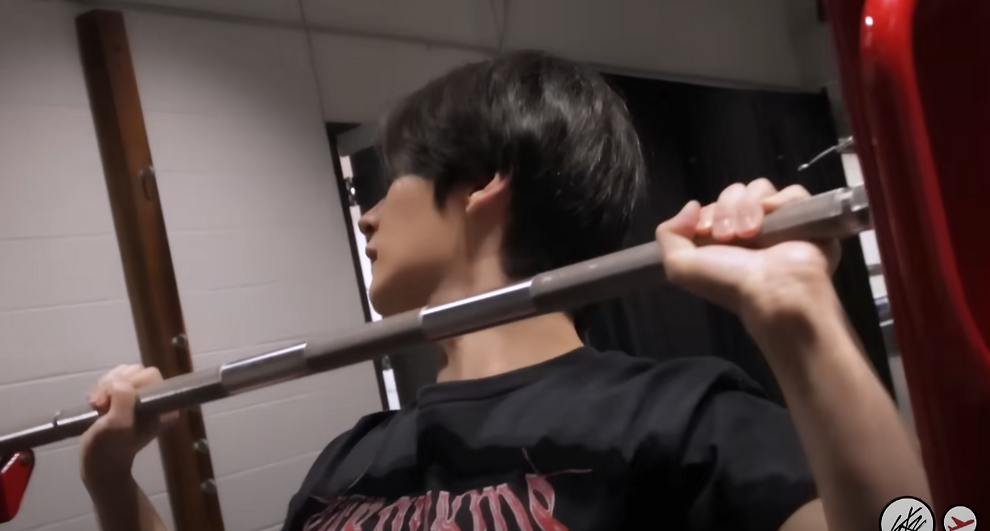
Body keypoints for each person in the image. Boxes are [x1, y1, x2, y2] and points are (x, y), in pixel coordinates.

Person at [79, 51, 929, 531]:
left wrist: (799, 315)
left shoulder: (684, 417)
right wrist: (114, 479)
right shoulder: (352, 459)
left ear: (482, 181)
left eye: (393, 180)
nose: (368, 214)